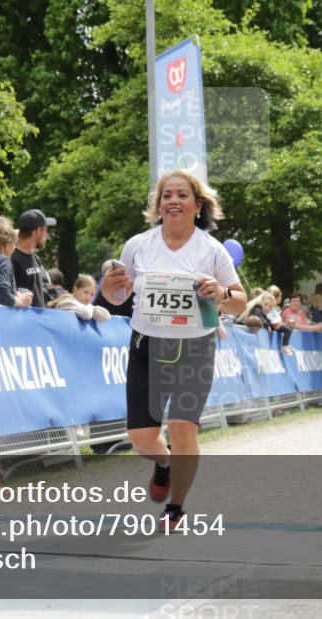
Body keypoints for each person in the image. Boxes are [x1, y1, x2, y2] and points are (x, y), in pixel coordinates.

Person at [99, 170, 246, 531]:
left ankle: (176, 508)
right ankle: (163, 464)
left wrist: (222, 294)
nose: (173, 201)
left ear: (197, 206)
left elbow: (240, 302)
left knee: (183, 428)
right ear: (158, 205)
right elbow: (118, 295)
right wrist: (106, 288)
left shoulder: (211, 250)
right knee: (142, 439)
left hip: (194, 347)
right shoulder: (138, 245)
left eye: (182, 195)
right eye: (167, 195)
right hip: (147, 346)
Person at [12, 209, 56, 307]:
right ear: (37, 231)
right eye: (45, 230)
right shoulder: (12, 259)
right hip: (23, 319)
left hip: (37, 319)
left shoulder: (36, 258)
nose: (46, 235)